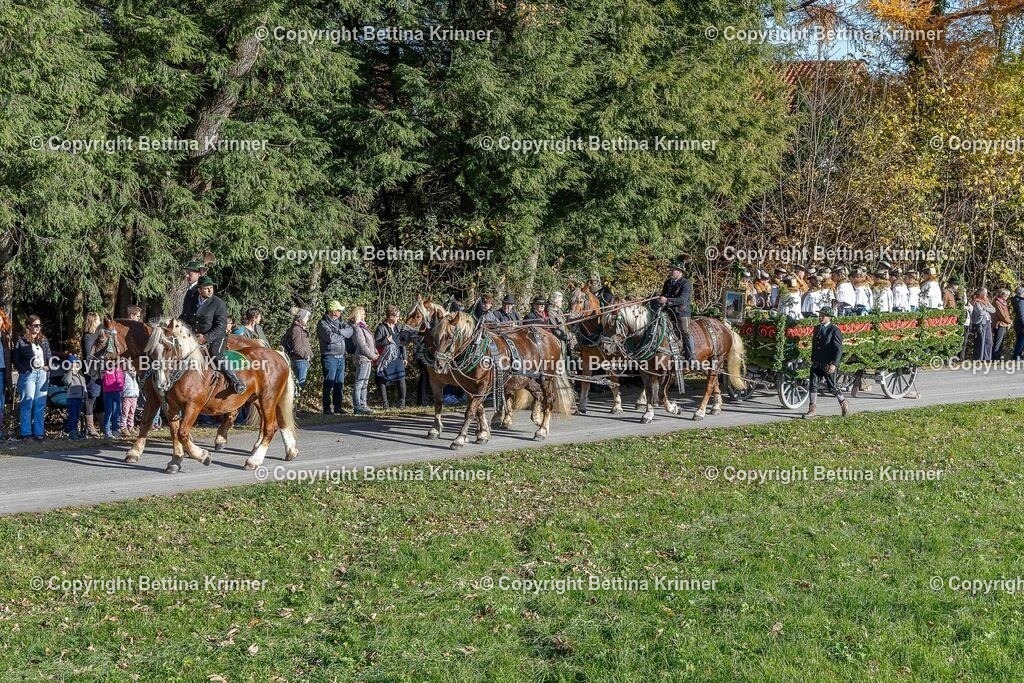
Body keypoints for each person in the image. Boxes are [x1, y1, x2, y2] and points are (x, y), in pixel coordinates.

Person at [185, 276, 245, 394]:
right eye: (206, 288)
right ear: (199, 290)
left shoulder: (218, 303)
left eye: (211, 288)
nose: (210, 290)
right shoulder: (192, 300)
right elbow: (186, 316)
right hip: (195, 337)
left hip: (216, 337)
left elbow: (221, 326)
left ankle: (236, 380)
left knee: (215, 354)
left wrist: (206, 338)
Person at [805, 307, 849, 419]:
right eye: (820, 315)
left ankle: (843, 401)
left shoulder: (834, 330)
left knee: (832, 387)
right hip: (817, 361)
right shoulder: (817, 328)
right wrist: (813, 359)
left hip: (828, 363)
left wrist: (834, 364)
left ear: (829, 317)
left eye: (823, 316)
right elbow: (815, 345)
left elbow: (838, 349)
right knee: (813, 385)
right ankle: (812, 409)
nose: (820, 317)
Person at [13, 315, 51, 440]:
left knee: (40, 404)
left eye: (39, 325)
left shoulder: (44, 340)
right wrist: (24, 371)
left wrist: (48, 366)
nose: (38, 327)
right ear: (28, 326)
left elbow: (49, 356)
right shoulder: (21, 340)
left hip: (42, 374)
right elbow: (16, 359)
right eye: (35, 325)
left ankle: (39, 433)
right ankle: (26, 433)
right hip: (28, 375)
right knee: (27, 403)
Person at [316, 301, 353, 415]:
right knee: (329, 383)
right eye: (339, 310)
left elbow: (350, 331)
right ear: (333, 311)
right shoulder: (322, 323)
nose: (341, 312)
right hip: (329, 356)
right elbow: (330, 338)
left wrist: (339, 332)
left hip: (341, 356)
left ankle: (338, 406)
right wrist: (343, 335)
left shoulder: (340, 322)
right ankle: (327, 407)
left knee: (339, 383)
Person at [655, 260, 695, 360]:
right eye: (671, 269)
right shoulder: (667, 282)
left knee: (685, 331)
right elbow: (663, 295)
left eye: (673, 270)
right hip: (667, 311)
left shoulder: (686, 283)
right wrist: (659, 300)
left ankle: (691, 356)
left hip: (681, 312)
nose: (671, 271)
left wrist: (667, 300)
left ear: (680, 272)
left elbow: (682, 299)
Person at [374, 305, 408, 409]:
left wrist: (404, 357)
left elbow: (402, 343)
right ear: (391, 317)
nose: (398, 318)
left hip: (397, 358)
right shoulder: (381, 328)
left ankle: (402, 403)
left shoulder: (399, 327)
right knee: (382, 379)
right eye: (397, 316)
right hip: (386, 359)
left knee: (401, 379)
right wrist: (386, 340)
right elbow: (376, 343)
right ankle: (385, 403)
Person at [350, 306, 378, 415]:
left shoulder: (363, 326)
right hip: (362, 358)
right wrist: (372, 355)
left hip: (368, 358)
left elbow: (370, 341)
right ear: (358, 314)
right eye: (363, 313)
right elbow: (362, 345)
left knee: (365, 383)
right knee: (359, 382)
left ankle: (363, 404)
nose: (365, 315)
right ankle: (357, 406)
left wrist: (374, 351)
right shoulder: (357, 328)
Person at [80, 311, 103, 438]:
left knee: (99, 397)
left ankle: (103, 425)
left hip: (99, 370)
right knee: (91, 398)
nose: (100, 322)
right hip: (91, 371)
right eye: (98, 320)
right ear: (93, 321)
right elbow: (89, 356)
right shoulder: (88, 337)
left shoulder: (97, 336)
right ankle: (90, 427)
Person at [283, 307, 314, 397]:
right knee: (299, 386)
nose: (307, 319)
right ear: (302, 318)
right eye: (307, 317)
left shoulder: (298, 328)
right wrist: (306, 356)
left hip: (299, 360)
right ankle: (294, 403)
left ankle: (294, 403)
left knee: (296, 385)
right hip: (300, 361)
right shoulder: (297, 330)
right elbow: (297, 348)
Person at [63, 355, 87, 440]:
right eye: (74, 365)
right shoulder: (68, 375)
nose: (76, 367)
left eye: (77, 365)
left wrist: (85, 395)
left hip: (80, 398)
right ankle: (72, 432)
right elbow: (67, 381)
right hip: (72, 398)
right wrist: (70, 371)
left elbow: (84, 387)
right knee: (72, 416)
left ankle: (76, 431)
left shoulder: (81, 376)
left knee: (77, 416)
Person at [100, 363, 125, 438]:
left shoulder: (119, 369)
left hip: (117, 392)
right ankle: (107, 431)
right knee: (108, 412)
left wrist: (121, 388)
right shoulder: (105, 370)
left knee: (116, 412)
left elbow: (121, 380)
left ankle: (115, 429)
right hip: (108, 392)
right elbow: (102, 378)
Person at [970, 288, 995, 361]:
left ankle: (987, 358)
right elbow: (980, 312)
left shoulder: (986, 301)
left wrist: (985, 308)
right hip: (981, 323)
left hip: (988, 322)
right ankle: (978, 358)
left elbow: (993, 310)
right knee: (981, 341)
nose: (986, 295)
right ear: (981, 294)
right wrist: (987, 310)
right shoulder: (976, 302)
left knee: (989, 341)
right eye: (985, 294)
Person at [121, 368, 140, 437]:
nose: (133, 371)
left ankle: (130, 427)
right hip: (127, 396)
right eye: (131, 369)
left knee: (132, 413)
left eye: (134, 369)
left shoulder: (137, 375)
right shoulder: (125, 374)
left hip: (134, 396)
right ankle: (123, 427)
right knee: (125, 412)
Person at [1013, 286, 1024, 361]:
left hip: (1018, 322)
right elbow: (1021, 314)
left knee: (1020, 339)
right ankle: (1017, 355)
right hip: (1021, 323)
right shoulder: (1020, 301)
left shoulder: (1017, 300)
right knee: (1022, 339)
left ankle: (1018, 355)